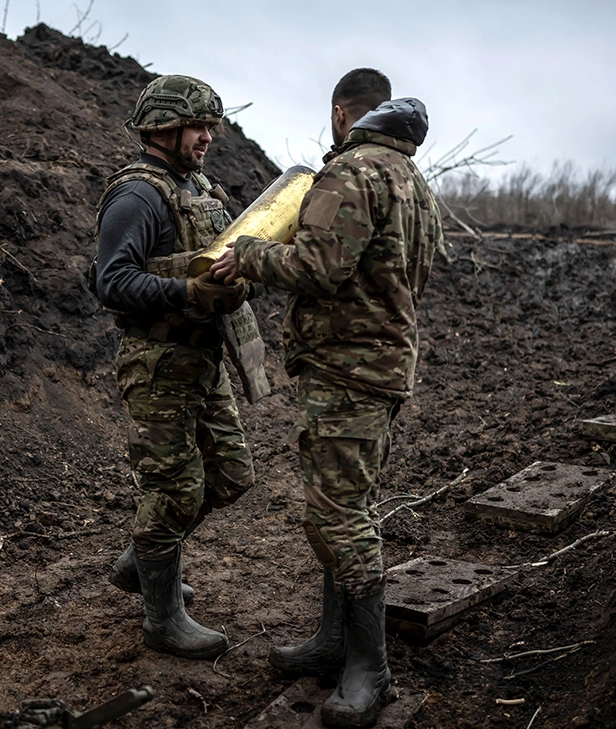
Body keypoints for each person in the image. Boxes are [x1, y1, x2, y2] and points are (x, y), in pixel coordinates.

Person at [211, 68, 443, 726]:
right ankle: (334, 641)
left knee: (341, 514)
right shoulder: (412, 180)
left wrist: (251, 251)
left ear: (343, 114)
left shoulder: (350, 174)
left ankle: (370, 669)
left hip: (348, 372)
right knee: (345, 505)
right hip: (382, 366)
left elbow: (318, 266)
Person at [93, 75, 258, 660]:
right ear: (164, 127)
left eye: (211, 125)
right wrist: (187, 290)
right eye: (199, 126)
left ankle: (143, 557)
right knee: (174, 491)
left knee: (232, 474)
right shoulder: (137, 196)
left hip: (201, 359)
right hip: (158, 363)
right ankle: (162, 619)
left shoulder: (196, 186)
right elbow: (111, 281)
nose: (209, 136)